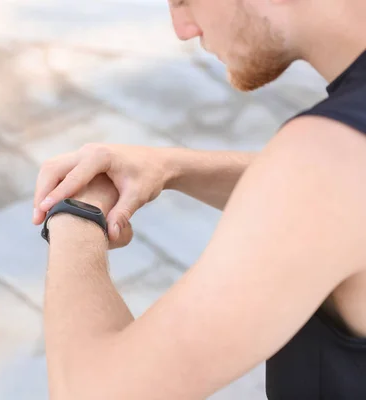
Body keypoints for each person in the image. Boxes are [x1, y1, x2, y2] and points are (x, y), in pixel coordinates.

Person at [31, 0, 366, 398]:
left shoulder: (329, 161)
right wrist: (174, 166)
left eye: (183, 0)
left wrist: (76, 211)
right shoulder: (338, 163)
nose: (183, 28)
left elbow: (90, 391)